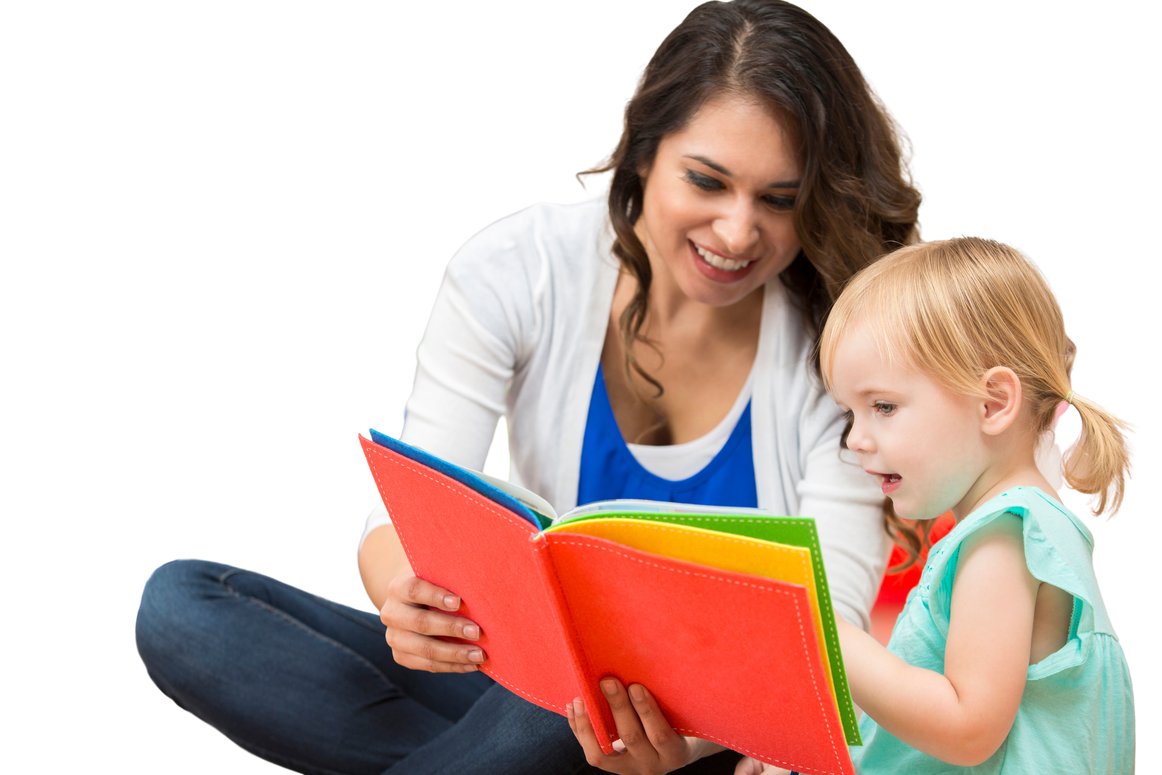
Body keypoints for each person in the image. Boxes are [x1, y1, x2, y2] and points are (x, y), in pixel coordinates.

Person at [132, 2, 1043, 774]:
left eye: (778, 198)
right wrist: (399, 593)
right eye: (708, 180)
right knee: (183, 603)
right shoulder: (517, 262)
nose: (738, 229)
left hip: (691, 731)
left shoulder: (837, 356)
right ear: (646, 152)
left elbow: (826, 638)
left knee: (567, 704)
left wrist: (680, 744)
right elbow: (413, 499)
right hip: (502, 671)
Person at [730, 234, 1136, 774]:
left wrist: (822, 629)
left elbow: (966, 731)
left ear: (993, 402)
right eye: (851, 414)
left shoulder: (1005, 536)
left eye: (883, 406)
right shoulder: (1022, 527)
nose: (855, 439)